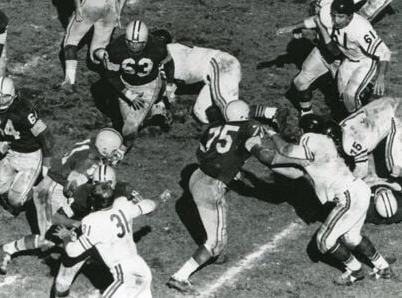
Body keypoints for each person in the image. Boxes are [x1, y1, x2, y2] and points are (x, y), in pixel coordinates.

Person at [259, 114, 395, 285]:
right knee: (352, 238)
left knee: (324, 240)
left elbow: (285, 151)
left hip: (349, 196)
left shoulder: (312, 143)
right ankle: (382, 266)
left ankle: (355, 270)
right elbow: (294, 167)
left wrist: (270, 135)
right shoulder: (323, 145)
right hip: (358, 191)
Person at [167, 100, 268, 294]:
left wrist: (228, 165)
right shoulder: (250, 126)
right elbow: (255, 146)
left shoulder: (213, 126)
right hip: (211, 186)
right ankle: (180, 276)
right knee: (214, 242)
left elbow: (202, 153)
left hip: (196, 176)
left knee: (216, 220)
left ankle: (217, 253)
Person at [0, 128, 126, 274]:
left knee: (83, 220)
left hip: (57, 182)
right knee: (47, 240)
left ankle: (84, 247)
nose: (115, 155)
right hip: (51, 191)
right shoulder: (88, 161)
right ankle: (6, 249)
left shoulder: (93, 144)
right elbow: (71, 189)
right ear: (104, 148)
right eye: (114, 151)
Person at [55, 182, 171, 298]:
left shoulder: (93, 221)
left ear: (93, 202)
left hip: (125, 276)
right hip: (142, 268)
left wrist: (65, 236)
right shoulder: (122, 205)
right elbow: (148, 205)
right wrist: (160, 198)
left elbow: (72, 251)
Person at [153, 29, 287, 127]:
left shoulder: (170, 51)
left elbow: (169, 72)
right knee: (201, 113)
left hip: (220, 65)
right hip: (213, 75)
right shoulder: (169, 54)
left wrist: (165, 96)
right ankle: (230, 124)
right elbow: (171, 78)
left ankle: (265, 119)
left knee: (229, 110)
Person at [0, 76, 54, 214]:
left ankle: (36, 188)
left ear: (14, 95)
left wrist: (47, 161)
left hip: (30, 155)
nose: (0, 102)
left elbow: (45, 134)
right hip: (10, 152)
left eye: (4, 98)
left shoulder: (24, 109)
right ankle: (19, 185)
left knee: (15, 200)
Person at [94, 20, 170, 144]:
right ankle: (156, 108)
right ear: (125, 39)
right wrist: (128, 94)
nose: (134, 47)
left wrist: (170, 84)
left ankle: (122, 150)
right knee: (127, 119)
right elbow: (112, 76)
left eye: (139, 44)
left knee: (130, 127)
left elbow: (169, 63)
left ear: (146, 41)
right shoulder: (115, 48)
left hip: (149, 85)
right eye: (130, 43)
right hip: (126, 83)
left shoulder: (157, 45)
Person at [276, 0, 341, 115]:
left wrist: (319, 25)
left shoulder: (343, 27)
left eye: (318, 6)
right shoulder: (323, 17)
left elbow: (334, 49)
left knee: (345, 94)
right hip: (322, 53)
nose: (315, 7)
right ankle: (306, 113)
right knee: (300, 82)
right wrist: (294, 27)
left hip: (340, 60)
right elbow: (311, 21)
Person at [324, 97, 402, 181]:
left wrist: (349, 181)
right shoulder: (343, 124)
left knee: (394, 167)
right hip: (386, 103)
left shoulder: (350, 145)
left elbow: (362, 171)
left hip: (395, 116)